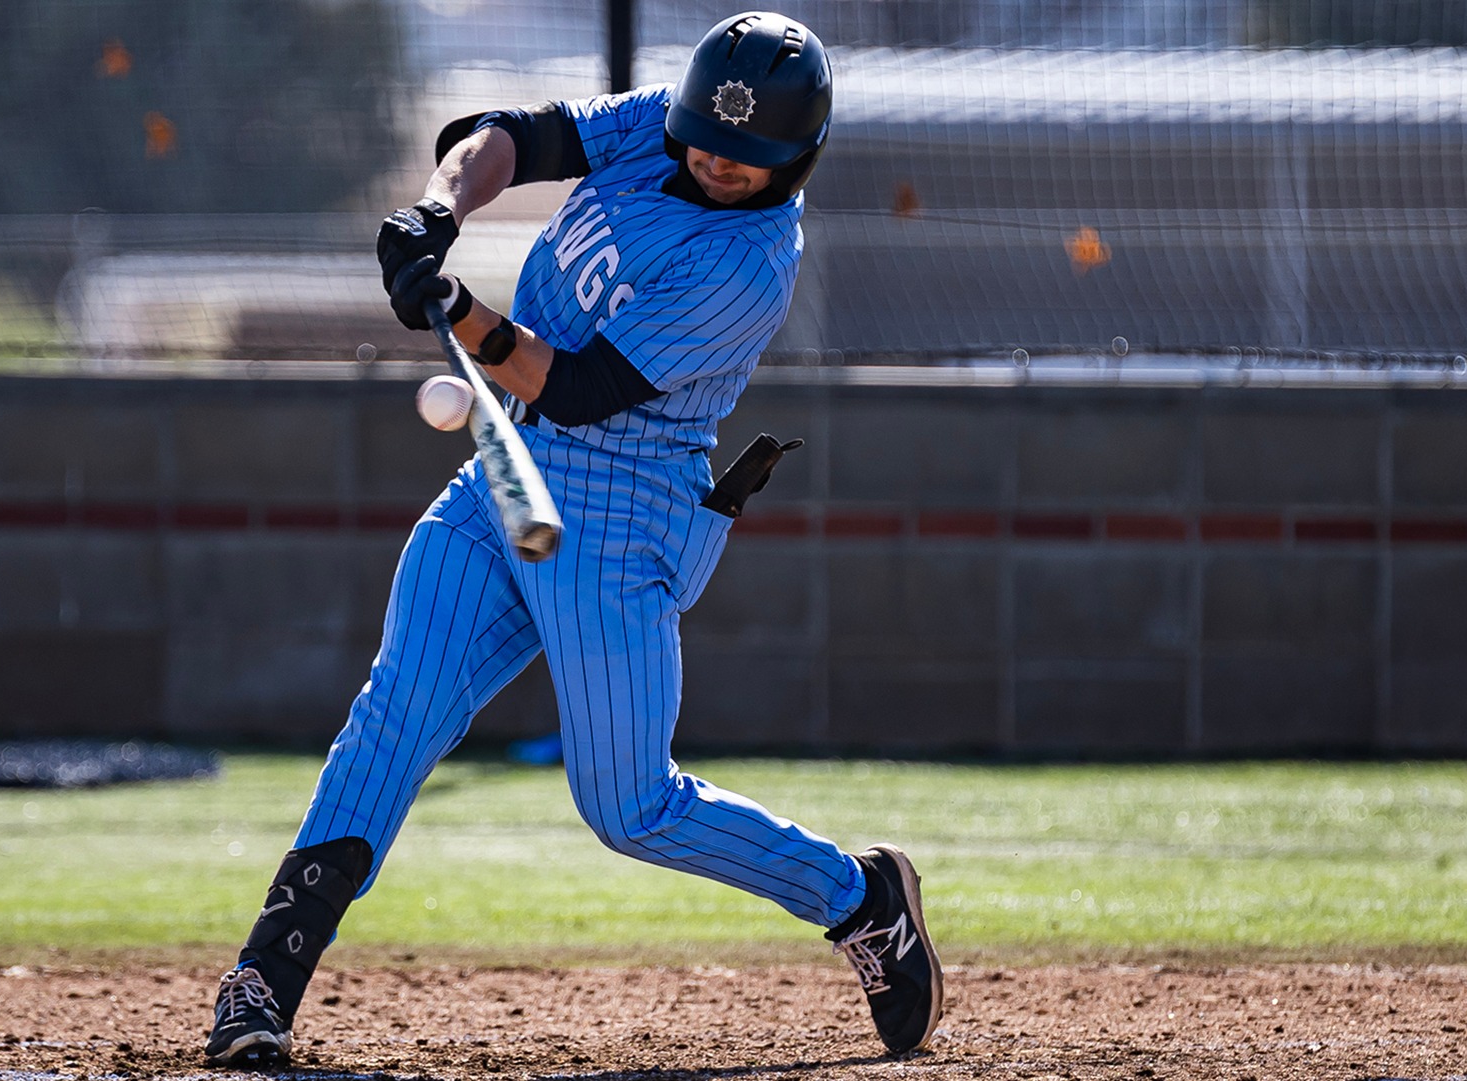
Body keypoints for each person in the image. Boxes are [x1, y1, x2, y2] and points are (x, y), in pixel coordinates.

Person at [204, 11, 941, 1066]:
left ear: (797, 158)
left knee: (628, 804)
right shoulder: (665, 129)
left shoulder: (750, 264)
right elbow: (515, 135)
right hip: (508, 470)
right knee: (395, 713)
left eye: (748, 156)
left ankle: (859, 898)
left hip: (621, 508)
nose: (718, 162)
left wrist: (455, 306)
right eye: (706, 139)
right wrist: (435, 209)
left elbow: (582, 386)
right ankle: (262, 983)